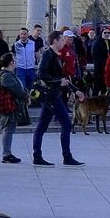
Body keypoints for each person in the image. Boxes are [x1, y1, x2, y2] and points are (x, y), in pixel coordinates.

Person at [30, 30, 83, 166]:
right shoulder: (48, 54)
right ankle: (66, 156)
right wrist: (58, 82)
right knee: (66, 123)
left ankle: (37, 155)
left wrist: (75, 90)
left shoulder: (55, 55)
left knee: (42, 125)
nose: (63, 42)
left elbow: (61, 77)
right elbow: (41, 73)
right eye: (61, 39)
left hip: (53, 93)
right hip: (51, 95)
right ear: (54, 41)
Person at [0, 53, 26, 165]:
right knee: (8, 128)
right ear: (11, 62)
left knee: (7, 127)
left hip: (3, 104)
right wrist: (26, 96)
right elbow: (18, 90)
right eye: (14, 60)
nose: (15, 62)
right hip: (8, 105)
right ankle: (6, 154)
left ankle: (7, 153)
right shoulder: (7, 76)